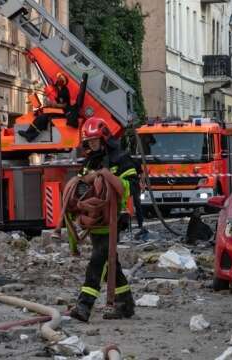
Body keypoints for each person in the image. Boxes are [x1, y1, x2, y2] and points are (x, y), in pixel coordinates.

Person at [68, 117, 137, 322]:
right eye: (89, 141)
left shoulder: (121, 158)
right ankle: (125, 303)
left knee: (98, 260)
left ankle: (84, 305)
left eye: (95, 140)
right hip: (95, 220)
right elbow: (80, 188)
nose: (92, 144)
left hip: (115, 218)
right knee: (110, 261)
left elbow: (132, 186)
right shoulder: (89, 161)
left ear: (105, 137)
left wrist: (108, 178)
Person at [18, 72, 71, 142]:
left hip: (63, 112)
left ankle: (29, 134)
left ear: (62, 82)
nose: (57, 80)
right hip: (60, 111)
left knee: (42, 117)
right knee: (43, 116)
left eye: (59, 79)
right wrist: (52, 104)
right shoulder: (60, 90)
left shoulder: (64, 91)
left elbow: (65, 105)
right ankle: (32, 135)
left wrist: (54, 105)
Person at [130, 157, 148, 239]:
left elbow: (142, 173)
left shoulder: (133, 161)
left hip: (132, 184)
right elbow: (142, 174)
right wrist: (143, 184)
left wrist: (143, 184)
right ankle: (139, 224)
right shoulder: (134, 161)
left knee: (137, 204)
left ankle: (139, 224)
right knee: (137, 204)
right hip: (133, 184)